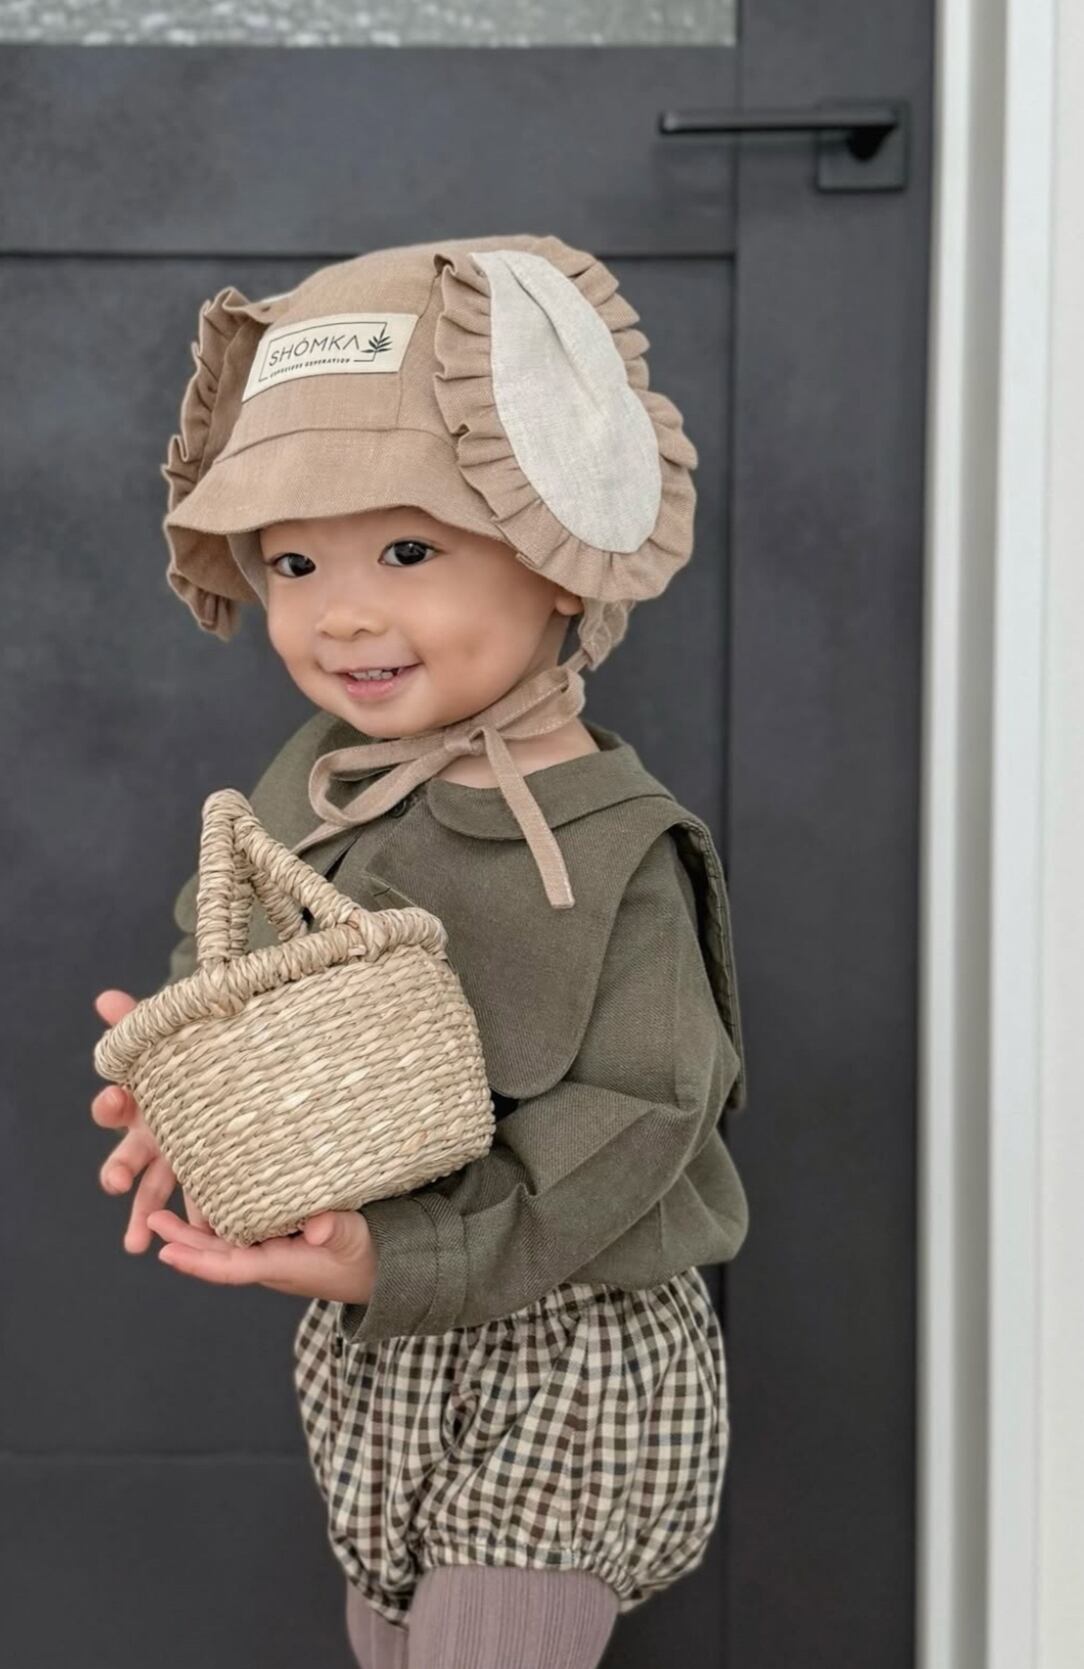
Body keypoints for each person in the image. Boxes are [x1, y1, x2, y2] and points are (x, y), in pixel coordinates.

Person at [90, 234, 750, 1669]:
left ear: (559, 555)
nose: (341, 612)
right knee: (388, 1639)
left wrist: (410, 1249)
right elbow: (236, 953)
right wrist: (191, 1093)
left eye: (406, 550)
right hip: (372, 1348)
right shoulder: (313, 785)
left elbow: (642, 1114)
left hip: (563, 1352)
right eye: (291, 561)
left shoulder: (615, 846)